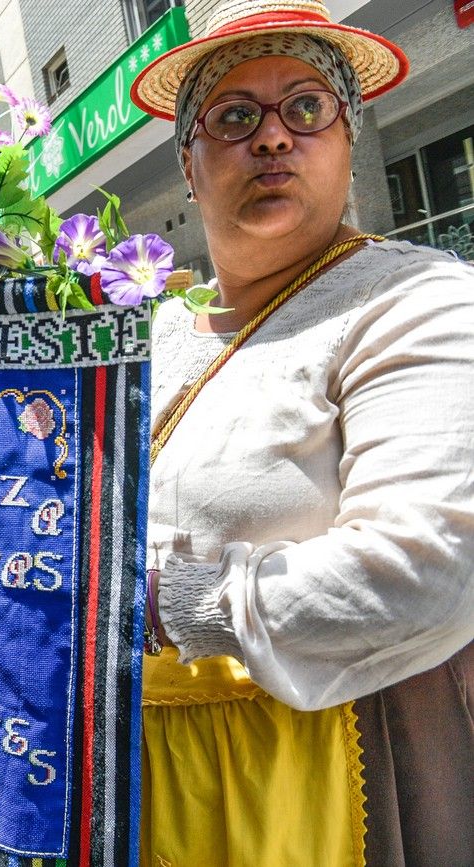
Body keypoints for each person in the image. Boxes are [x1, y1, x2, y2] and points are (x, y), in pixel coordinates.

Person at [129, 2, 474, 863]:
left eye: (308, 108)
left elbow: (428, 561)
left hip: (339, 772)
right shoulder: (155, 336)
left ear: (350, 138)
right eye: (235, 116)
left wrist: (175, 606)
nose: (275, 138)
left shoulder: (414, 302)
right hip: (155, 784)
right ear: (189, 162)